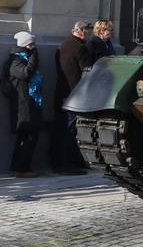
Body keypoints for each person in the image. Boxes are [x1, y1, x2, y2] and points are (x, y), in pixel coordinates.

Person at [51, 20, 91, 173]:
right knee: (70, 131)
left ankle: (58, 163)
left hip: (61, 93)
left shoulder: (62, 46)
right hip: (75, 96)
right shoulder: (80, 48)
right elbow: (87, 72)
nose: (88, 35)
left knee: (60, 129)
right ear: (81, 31)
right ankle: (68, 165)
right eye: (87, 32)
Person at [7, 31, 42, 177]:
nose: (33, 48)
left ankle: (22, 167)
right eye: (30, 45)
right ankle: (21, 168)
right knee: (27, 136)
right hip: (22, 105)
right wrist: (33, 58)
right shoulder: (16, 60)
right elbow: (26, 74)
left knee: (30, 136)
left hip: (31, 102)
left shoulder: (24, 57)